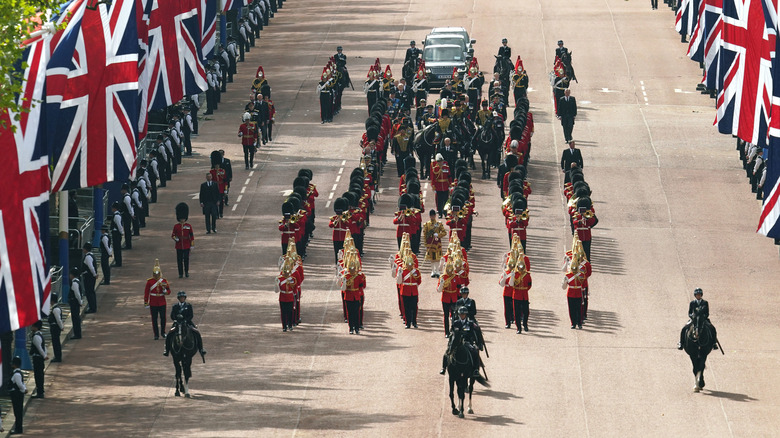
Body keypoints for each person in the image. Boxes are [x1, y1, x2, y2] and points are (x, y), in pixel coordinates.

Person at [440, 306, 484, 375]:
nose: (462, 315)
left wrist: (479, 342)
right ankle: (444, 368)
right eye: (461, 314)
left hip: (467, 341)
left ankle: (476, 369)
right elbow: (452, 331)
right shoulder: (456, 323)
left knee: (475, 351)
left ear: (466, 315)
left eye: (463, 314)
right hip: (457, 341)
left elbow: (475, 331)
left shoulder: (470, 323)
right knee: (447, 352)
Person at [164, 291, 206, 358]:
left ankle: (201, 349)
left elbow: (191, 315)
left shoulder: (188, 306)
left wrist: (186, 320)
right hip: (177, 323)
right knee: (169, 334)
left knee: (197, 332)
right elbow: (172, 315)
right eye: (181, 298)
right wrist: (176, 319)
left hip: (187, 322)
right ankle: (166, 350)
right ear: (178, 298)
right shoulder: (175, 306)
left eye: (183, 297)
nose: (182, 299)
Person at [145, 259, 171, 340]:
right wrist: (146, 302)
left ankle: (163, 332)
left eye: (157, 274)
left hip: (162, 301)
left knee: (163, 318)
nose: (156, 275)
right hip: (153, 302)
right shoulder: (150, 282)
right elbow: (146, 292)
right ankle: (156, 334)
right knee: (154, 319)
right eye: (155, 274)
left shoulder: (163, 281)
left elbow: (169, 291)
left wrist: (164, 290)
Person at [396, 251, 421, 329]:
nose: (409, 266)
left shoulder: (416, 271)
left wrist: (414, 276)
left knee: (414, 307)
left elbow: (419, 281)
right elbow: (399, 282)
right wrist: (399, 274)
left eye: (410, 264)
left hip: (413, 291)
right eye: (408, 264)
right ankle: (408, 323)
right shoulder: (403, 271)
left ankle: (414, 321)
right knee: (406, 308)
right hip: (405, 291)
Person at [172, 203, 195, 278]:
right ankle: (180, 273)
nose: (182, 219)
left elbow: (191, 236)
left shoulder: (188, 226)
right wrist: (176, 239)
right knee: (179, 260)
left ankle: (186, 272)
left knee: (186, 259)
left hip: (186, 245)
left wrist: (192, 245)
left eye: (183, 218)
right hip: (179, 246)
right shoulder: (176, 226)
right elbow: (173, 235)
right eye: (181, 218)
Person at [422, 209, 446, 277]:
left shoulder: (439, 224)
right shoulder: (427, 224)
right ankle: (433, 271)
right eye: (431, 216)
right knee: (432, 258)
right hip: (430, 243)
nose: (432, 217)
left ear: (435, 216)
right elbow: (425, 235)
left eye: (433, 215)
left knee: (437, 258)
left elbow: (444, 232)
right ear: (430, 216)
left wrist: (438, 235)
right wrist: (425, 244)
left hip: (437, 242)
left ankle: (437, 271)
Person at [29, 320, 48, 399]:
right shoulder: (39, 335)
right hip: (39, 358)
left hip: (37, 358)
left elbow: (40, 348)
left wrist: (44, 356)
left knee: (38, 375)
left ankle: (40, 391)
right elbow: (44, 347)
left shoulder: (36, 337)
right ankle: (40, 390)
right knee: (39, 374)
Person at [8, 356, 26, 435]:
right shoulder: (18, 373)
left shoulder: (16, 374)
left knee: (18, 412)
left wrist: (24, 390)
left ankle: (18, 428)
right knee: (18, 412)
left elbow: (19, 384)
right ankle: (18, 428)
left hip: (17, 395)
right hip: (17, 394)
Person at [81, 242, 98, 313]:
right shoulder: (91, 255)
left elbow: (91, 267)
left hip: (89, 277)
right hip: (90, 277)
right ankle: (93, 306)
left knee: (89, 292)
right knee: (91, 292)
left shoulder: (88, 257)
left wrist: (94, 274)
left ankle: (92, 307)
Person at [48, 293, 64, 362]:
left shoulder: (55, 309)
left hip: (55, 327)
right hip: (54, 327)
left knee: (56, 342)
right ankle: (57, 356)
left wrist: (61, 327)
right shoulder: (55, 308)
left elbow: (58, 319)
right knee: (55, 342)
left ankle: (58, 357)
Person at [68, 267, 83, 339]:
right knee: (75, 318)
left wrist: (80, 302)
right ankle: (77, 333)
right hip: (75, 302)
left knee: (75, 318)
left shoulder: (74, 283)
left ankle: (77, 334)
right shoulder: (77, 281)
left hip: (74, 303)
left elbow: (77, 294)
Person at [110, 202, 124, 267]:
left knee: (117, 248)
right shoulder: (116, 215)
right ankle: (117, 261)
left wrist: (121, 233)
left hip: (116, 234)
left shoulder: (117, 216)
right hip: (116, 233)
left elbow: (119, 225)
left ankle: (118, 262)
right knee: (116, 248)